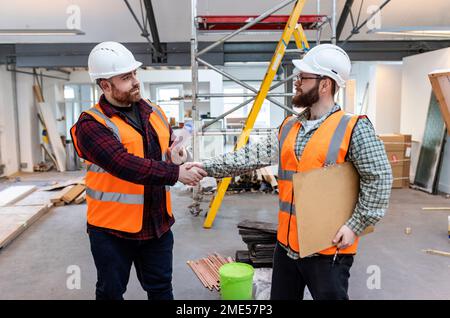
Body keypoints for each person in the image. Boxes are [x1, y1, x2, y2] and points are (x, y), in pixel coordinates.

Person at [197, 44, 393, 300]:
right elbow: (247, 157)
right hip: (287, 247)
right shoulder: (289, 126)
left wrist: (355, 226)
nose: (296, 82)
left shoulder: (354, 128)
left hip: (328, 250)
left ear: (325, 85)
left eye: (303, 77)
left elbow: (379, 179)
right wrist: (204, 167)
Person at [70, 41, 206, 300]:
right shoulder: (91, 124)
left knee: (161, 289)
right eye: (125, 77)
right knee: (111, 292)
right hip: (112, 231)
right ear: (105, 85)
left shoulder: (154, 111)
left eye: (134, 73)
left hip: (157, 225)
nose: (135, 81)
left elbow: (169, 149)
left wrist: (179, 157)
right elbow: (123, 164)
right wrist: (176, 174)